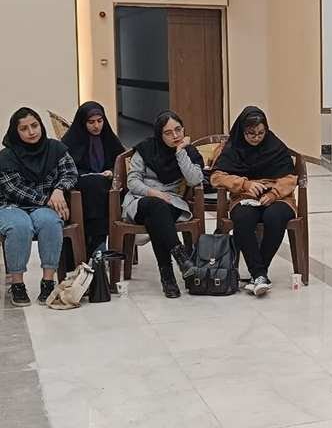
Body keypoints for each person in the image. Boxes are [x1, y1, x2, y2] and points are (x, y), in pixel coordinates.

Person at [211, 106, 296, 296]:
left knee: (275, 216)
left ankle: (258, 274)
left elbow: (290, 178)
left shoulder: (275, 146)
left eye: (261, 133)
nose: (256, 138)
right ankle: (259, 274)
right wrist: (244, 184)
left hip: (278, 196)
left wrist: (274, 194)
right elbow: (216, 177)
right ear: (242, 131)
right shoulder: (232, 148)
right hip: (245, 195)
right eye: (251, 133)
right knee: (243, 218)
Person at [0, 108, 78, 306]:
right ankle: (17, 284)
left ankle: (48, 282)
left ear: (41, 125)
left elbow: (70, 172)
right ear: (16, 132)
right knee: (20, 226)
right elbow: (14, 189)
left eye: (34, 125)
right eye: (24, 128)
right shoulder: (6, 156)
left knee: (50, 222)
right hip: (11, 205)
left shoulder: (55, 148)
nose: (31, 132)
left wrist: (59, 190)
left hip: (45, 205)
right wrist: (48, 199)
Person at [123, 110, 204, 298]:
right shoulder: (145, 149)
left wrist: (180, 152)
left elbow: (194, 180)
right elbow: (132, 182)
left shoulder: (189, 152)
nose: (175, 135)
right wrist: (154, 193)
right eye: (168, 133)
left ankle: (168, 277)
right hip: (141, 200)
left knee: (156, 218)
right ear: (160, 135)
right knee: (156, 207)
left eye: (178, 130)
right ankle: (181, 258)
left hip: (170, 202)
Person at [61, 101, 125, 256]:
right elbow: (67, 169)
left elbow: (120, 163)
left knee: (99, 186)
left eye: (100, 121)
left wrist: (111, 171)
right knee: (94, 185)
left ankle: (97, 245)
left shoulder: (109, 138)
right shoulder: (71, 141)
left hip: (108, 186)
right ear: (83, 122)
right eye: (91, 122)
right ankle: (98, 244)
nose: (97, 126)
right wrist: (88, 175)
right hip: (81, 187)